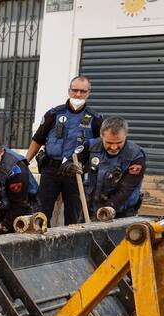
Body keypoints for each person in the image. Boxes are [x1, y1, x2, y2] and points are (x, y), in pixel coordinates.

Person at [25, 76, 103, 226]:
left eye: (82, 91)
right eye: (75, 90)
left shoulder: (95, 119)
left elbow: (99, 146)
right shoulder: (53, 114)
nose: (78, 94)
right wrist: (25, 161)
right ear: (69, 91)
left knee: (73, 214)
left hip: (75, 172)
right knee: (41, 211)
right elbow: (38, 139)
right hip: (50, 169)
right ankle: (40, 243)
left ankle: (71, 246)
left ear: (89, 93)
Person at [76, 116, 146, 220]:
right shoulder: (91, 146)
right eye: (109, 142)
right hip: (89, 210)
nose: (114, 147)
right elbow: (71, 161)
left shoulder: (136, 156)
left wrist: (105, 210)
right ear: (101, 135)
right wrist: (70, 167)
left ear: (125, 136)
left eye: (119, 143)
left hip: (121, 214)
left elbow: (125, 190)